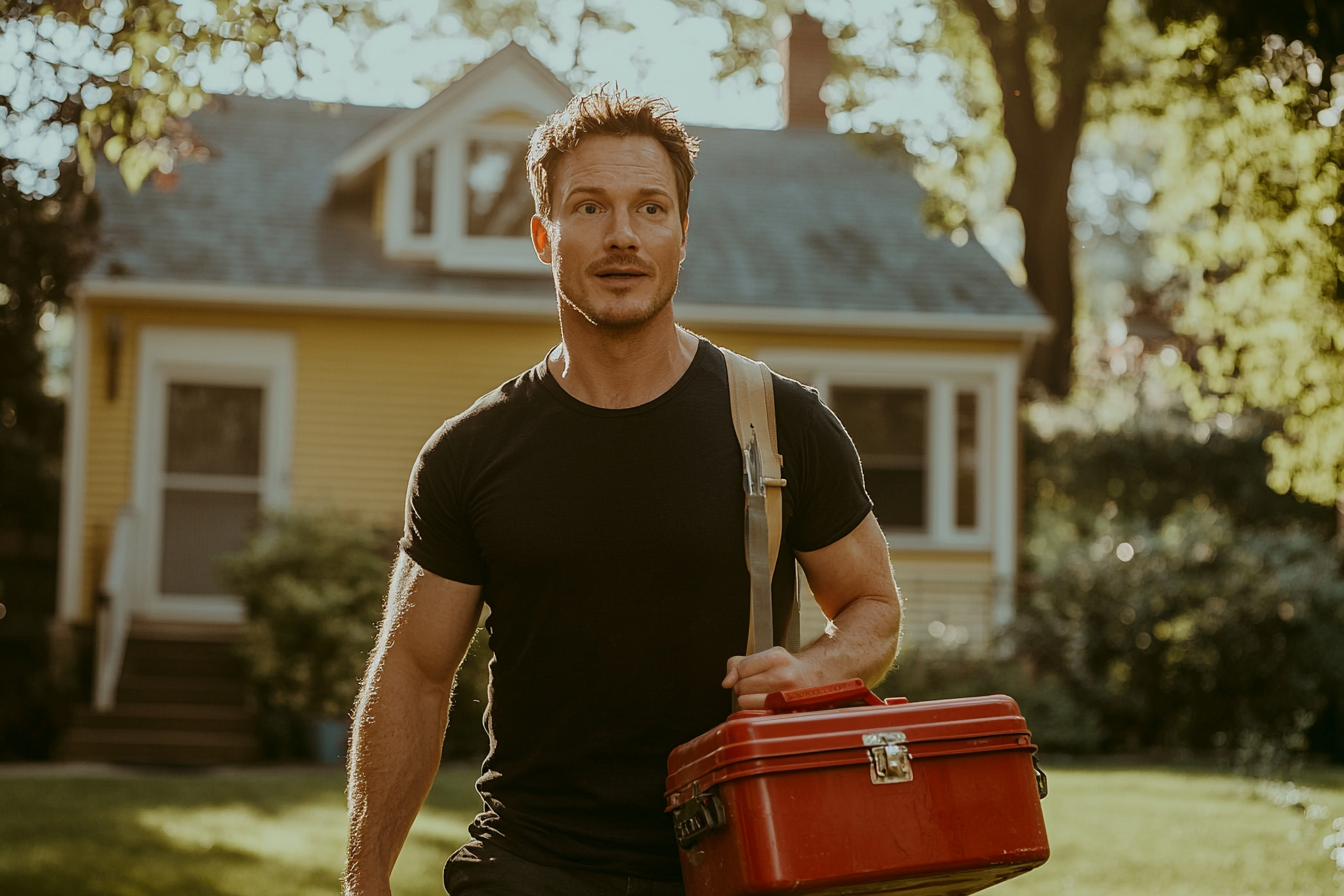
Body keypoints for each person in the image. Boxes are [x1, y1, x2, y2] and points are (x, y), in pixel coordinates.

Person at [343, 87, 903, 896]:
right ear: (544, 236)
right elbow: (414, 675)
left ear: (683, 234)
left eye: (650, 208)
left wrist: (815, 670)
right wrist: (364, 882)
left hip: (740, 854)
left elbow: (873, 608)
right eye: (589, 208)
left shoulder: (780, 423)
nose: (622, 237)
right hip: (532, 866)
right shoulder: (472, 454)